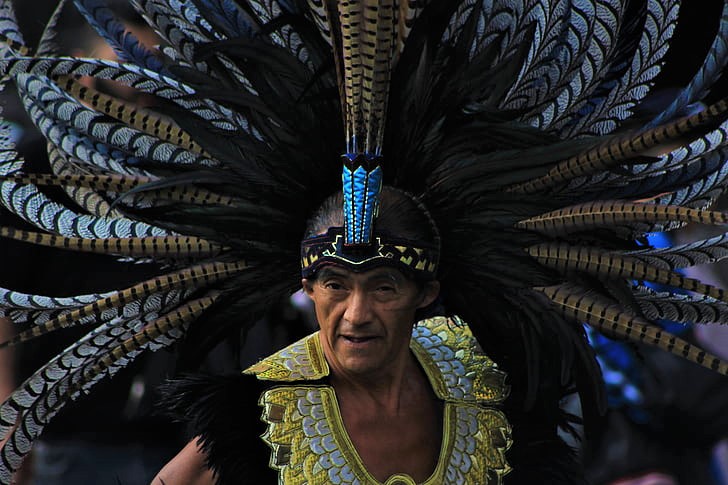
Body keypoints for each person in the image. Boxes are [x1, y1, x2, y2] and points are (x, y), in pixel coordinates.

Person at [0, 1, 726, 484]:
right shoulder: (270, 398)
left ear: (426, 292)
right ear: (306, 288)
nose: (356, 313)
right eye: (336, 287)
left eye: (383, 285)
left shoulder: (476, 376)